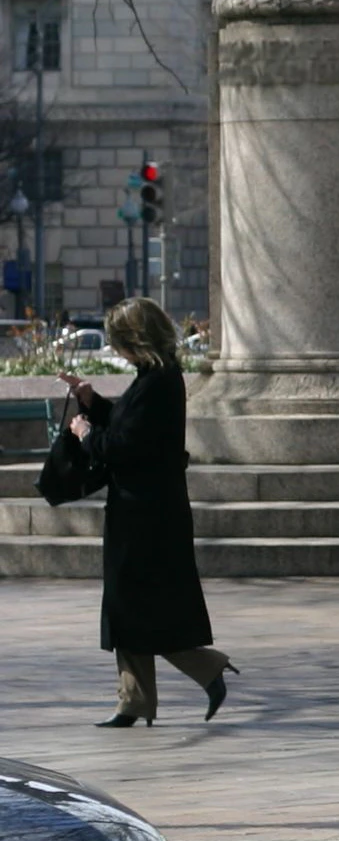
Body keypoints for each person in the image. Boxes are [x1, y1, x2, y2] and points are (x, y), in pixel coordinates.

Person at [59, 297, 236, 727]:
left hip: (147, 514)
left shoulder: (158, 382)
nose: (118, 351)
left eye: (120, 343)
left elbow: (123, 446)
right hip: (145, 508)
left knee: (136, 605)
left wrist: (85, 434)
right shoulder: (156, 377)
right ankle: (135, 701)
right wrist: (93, 402)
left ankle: (205, 668)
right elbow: (127, 424)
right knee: (130, 605)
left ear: (133, 341)